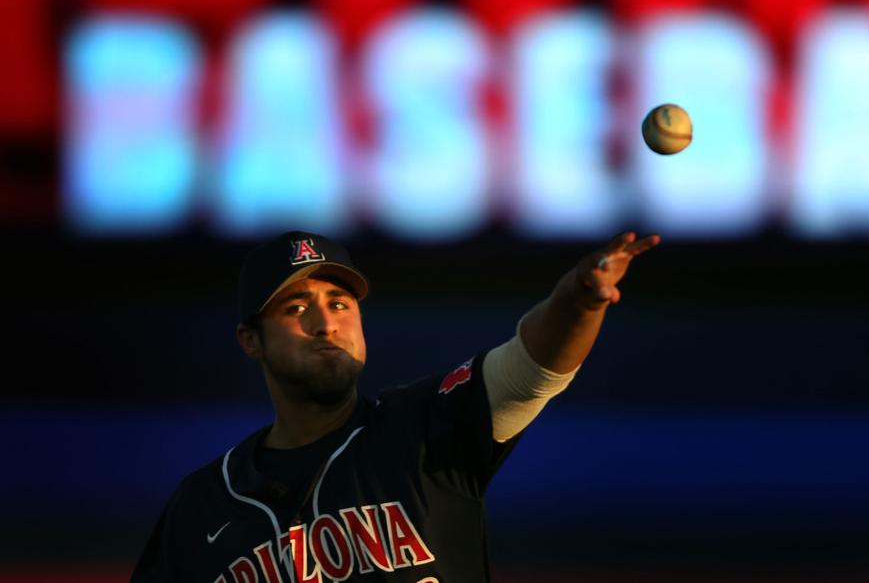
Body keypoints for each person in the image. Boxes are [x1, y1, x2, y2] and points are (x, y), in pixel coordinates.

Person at [131, 229, 660, 582]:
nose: (326, 322)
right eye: (297, 308)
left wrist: (578, 300)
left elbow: (529, 370)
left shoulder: (425, 428)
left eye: (340, 303)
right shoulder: (201, 505)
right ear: (251, 340)